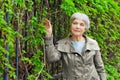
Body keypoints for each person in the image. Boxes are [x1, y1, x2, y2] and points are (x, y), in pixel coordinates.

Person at [44, 12, 106, 80]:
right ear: (71, 25)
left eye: (81, 24)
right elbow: (51, 58)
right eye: (75, 23)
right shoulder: (62, 44)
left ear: (85, 28)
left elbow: (100, 69)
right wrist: (48, 36)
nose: (77, 27)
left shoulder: (93, 44)